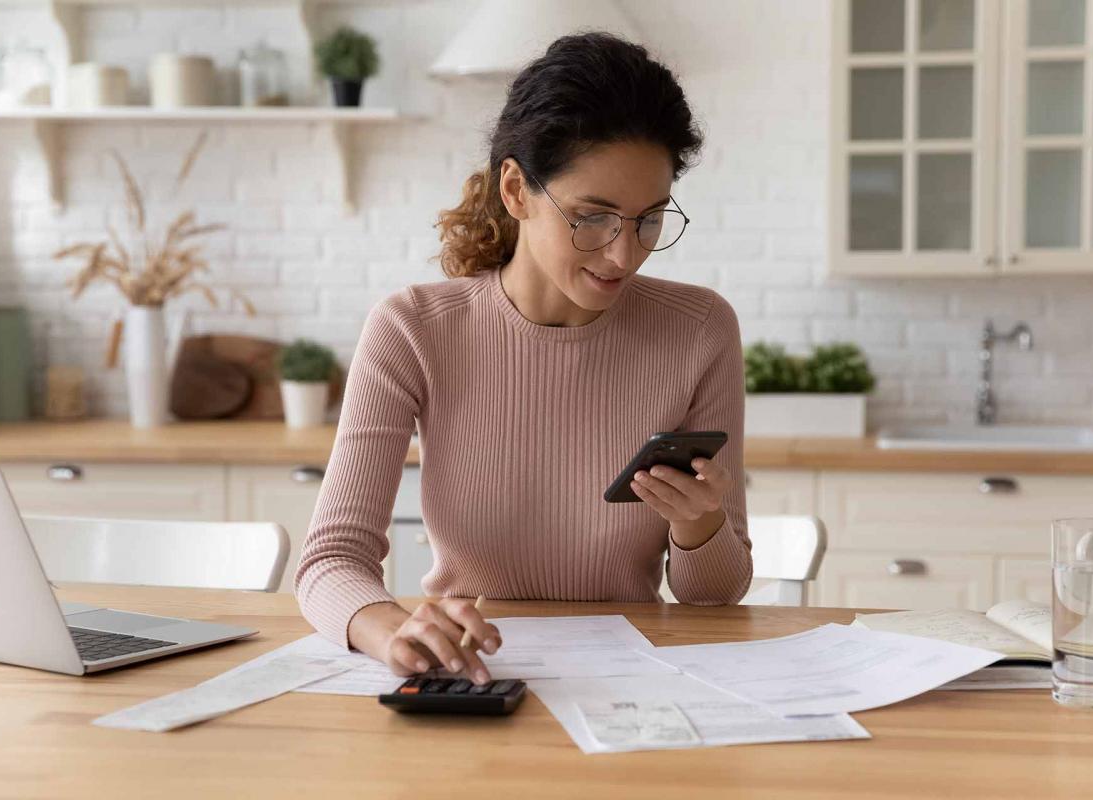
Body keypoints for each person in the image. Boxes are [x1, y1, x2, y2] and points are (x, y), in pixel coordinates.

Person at [295, 32, 752, 686]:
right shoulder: (413, 329)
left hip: (630, 687)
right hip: (472, 674)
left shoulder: (700, 329)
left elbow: (715, 598)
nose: (624, 254)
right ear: (516, 189)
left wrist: (701, 522)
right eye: (593, 218)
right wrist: (392, 629)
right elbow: (330, 562)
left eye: (649, 220)